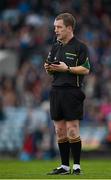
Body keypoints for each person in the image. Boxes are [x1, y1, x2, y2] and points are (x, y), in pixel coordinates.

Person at [44, 12, 90, 175]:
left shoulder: (80, 47)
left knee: (72, 129)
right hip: (56, 91)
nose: (55, 30)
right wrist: (48, 68)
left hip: (72, 92)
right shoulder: (55, 46)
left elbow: (86, 69)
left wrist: (67, 68)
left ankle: (76, 166)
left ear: (69, 28)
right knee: (60, 131)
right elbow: (51, 67)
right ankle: (64, 167)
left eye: (59, 27)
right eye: (55, 27)